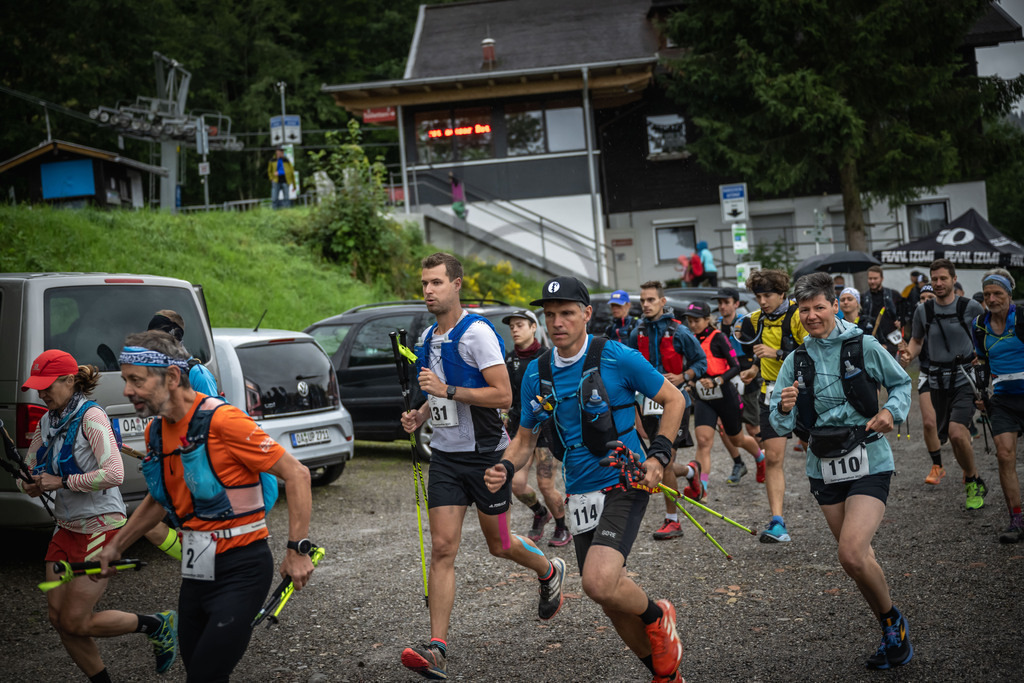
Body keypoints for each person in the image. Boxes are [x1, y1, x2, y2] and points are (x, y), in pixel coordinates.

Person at [485, 275, 687, 683]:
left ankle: (657, 613)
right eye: (550, 315)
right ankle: (663, 674)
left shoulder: (615, 356)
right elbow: (524, 437)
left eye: (567, 313)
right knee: (610, 599)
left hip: (623, 480)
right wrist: (506, 468)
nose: (557, 322)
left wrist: (658, 455)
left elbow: (674, 399)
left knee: (597, 582)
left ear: (586, 315)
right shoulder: (536, 372)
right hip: (579, 493)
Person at [98, 331, 315, 682]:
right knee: (199, 672)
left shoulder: (222, 421)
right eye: (126, 380)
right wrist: (116, 546)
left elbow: (297, 473)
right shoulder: (158, 430)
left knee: (205, 675)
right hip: (196, 570)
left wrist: (297, 549)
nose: (127, 390)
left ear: (170, 377)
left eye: (136, 380)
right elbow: (159, 499)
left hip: (242, 569)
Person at [399, 253, 564, 680]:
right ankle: (437, 648)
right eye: (424, 284)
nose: (428, 291)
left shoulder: (477, 335)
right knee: (442, 548)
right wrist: (419, 413)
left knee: (500, 543)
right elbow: (430, 391)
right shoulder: (427, 338)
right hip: (447, 459)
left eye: (436, 282)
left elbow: (503, 396)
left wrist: (449, 390)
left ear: (457, 285)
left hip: (487, 455)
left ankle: (549, 569)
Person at [771, 272, 914, 670]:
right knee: (860, 558)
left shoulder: (862, 345)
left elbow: (901, 386)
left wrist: (890, 411)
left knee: (850, 554)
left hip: (869, 457)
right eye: (805, 310)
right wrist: (783, 407)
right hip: (823, 466)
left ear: (836, 305)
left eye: (820, 307)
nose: (812, 315)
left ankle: (892, 622)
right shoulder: (795, 360)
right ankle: (891, 631)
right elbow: (780, 425)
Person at [18, 350, 176, 682]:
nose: (42, 394)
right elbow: (29, 468)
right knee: (57, 617)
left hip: (102, 528)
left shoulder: (92, 417)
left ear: (69, 380)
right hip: (66, 528)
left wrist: (60, 481)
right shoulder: (48, 420)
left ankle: (157, 623)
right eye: (37, 388)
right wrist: (29, 483)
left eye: (48, 386)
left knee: (76, 620)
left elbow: (115, 473)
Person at [899, 258, 987, 510]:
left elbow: (986, 337)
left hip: (964, 377)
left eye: (942, 279)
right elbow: (916, 340)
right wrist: (909, 355)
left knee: (957, 432)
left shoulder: (970, 308)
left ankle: (972, 479)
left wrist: (985, 368)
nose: (937, 283)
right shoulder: (923, 311)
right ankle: (971, 473)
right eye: (934, 279)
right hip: (937, 380)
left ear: (953, 279)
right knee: (948, 435)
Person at [628, 280, 707, 540]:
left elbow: (701, 361)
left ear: (663, 302)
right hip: (647, 404)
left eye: (651, 300)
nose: (646, 304)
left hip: (675, 401)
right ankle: (693, 472)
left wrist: (684, 376)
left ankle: (673, 520)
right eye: (643, 300)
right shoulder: (636, 331)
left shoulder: (679, 331)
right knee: (662, 460)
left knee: (665, 460)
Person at [737, 268, 808, 543]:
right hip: (770, 394)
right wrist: (754, 368)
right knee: (774, 459)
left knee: (822, 451)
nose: (762, 301)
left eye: (768, 295)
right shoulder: (755, 320)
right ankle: (778, 522)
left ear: (782, 294)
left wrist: (776, 353)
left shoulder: (799, 316)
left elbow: (815, 351)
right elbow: (750, 351)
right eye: (758, 296)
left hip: (804, 393)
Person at [503, 308, 570, 547]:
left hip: (545, 432)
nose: (515, 330)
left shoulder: (549, 357)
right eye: (512, 326)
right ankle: (540, 512)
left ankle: (563, 527)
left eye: (520, 325)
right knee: (515, 484)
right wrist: (503, 413)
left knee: (545, 484)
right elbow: (506, 393)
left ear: (533, 327)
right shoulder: (509, 359)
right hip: (520, 430)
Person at [682, 301, 763, 490]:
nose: (693, 325)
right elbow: (689, 367)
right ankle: (701, 488)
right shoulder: (690, 340)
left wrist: (717, 381)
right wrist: (690, 382)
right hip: (704, 398)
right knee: (703, 441)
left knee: (737, 439)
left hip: (725, 394)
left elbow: (735, 366)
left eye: (696, 321)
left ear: (706, 319)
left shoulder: (718, 338)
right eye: (690, 321)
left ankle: (760, 458)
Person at [971, 268, 1024, 543]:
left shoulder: (1022, 317)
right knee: (1004, 456)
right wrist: (981, 393)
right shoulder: (979, 325)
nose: (992, 299)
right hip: (1003, 400)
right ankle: (1016, 519)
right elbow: (982, 361)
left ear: (1008, 295)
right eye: (988, 294)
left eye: (997, 293)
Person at [716, 288, 765, 484]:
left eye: (726, 302)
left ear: (736, 304)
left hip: (747, 378)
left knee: (753, 427)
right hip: (727, 380)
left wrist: (753, 369)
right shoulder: (718, 327)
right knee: (723, 427)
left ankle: (766, 462)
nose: (722, 306)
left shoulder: (745, 323)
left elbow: (761, 348)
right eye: (719, 302)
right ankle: (738, 463)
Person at [909, 285, 946, 485]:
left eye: (929, 296)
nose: (925, 300)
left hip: (953, 374)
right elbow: (914, 344)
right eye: (922, 297)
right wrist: (906, 354)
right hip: (927, 372)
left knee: (957, 430)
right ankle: (937, 466)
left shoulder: (951, 316)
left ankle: (969, 469)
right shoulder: (919, 319)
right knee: (929, 423)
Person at [860, 266, 903, 357]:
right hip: (871, 342)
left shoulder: (894, 295)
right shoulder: (863, 297)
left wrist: (901, 321)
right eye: (870, 278)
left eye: (875, 278)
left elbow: (905, 314)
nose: (872, 281)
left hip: (891, 343)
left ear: (882, 278)